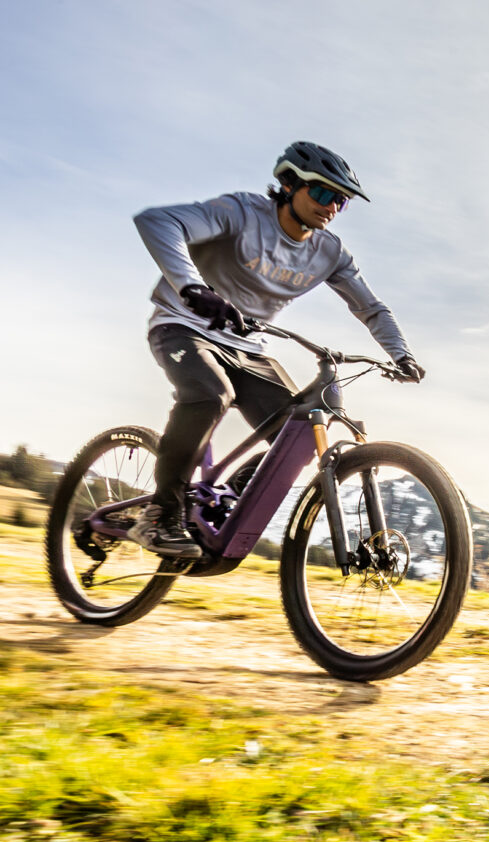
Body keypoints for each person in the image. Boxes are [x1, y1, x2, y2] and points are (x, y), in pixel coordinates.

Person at [127, 141, 425, 560]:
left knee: (298, 432)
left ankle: (228, 497)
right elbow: (158, 221)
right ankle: (160, 515)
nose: (332, 206)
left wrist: (401, 354)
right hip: (184, 325)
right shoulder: (242, 213)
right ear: (288, 184)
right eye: (323, 193)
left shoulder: (330, 252)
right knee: (210, 395)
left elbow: (371, 307)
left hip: (247, 345)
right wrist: (192, 288)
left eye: (341, 200)